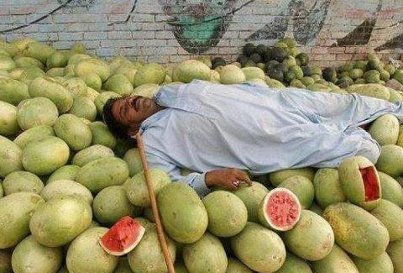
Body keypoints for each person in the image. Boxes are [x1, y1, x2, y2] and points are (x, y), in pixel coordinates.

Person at [103, 80, 403, 196]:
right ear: (131, 130)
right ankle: (359, 133)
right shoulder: (151, 143)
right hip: (268, 140)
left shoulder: (167, 91)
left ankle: (395, 111)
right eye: (125, 110)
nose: (132, 101)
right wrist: (209, 178)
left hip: (277, 102)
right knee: (367, 151)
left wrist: (255, 88)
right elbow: (169, 186)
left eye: (127, 98)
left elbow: (220, 90)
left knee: (350, 103)